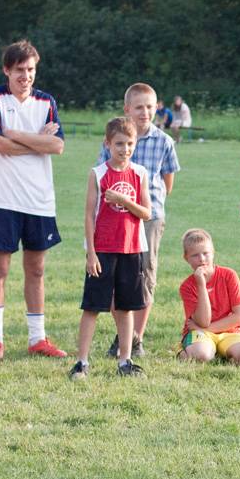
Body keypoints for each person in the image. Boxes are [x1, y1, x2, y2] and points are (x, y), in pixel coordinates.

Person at [0, 39, 68, 360]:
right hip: (2, 196)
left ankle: (37, 339)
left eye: (30, 70)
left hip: (38, 198)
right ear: (6, 70)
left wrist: (14, 134)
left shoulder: (47, 101)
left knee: (36, 269)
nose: (25, 76)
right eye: (19, 70)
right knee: (0, 269)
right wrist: (38, 141)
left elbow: (57, 146)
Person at [95, 82, 180, 358]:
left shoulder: (164, 141)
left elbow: (167, 183)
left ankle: (136, 338)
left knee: (145, 275)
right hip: (116, 219)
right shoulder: (114, 139)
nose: (145, 112)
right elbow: (101, 176)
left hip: (148, 218)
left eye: (150, 107)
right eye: (139, 107)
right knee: (115, 275)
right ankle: (126, 336)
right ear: (127, 109)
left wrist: (143, 205)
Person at [69, 117, 151, 380]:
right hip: (103, 250)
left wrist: (124, 200)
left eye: (129, 144)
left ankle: (125, 360)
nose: (125, 149)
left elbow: (146, 213)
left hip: (131, 249)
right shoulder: (98, 174)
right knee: (92, 307)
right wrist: (91, 253)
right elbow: (88, 215)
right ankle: (82, 362)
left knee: (126, 308)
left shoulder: (140, 173)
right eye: (119, 144)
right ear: (107, 144)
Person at [177, 228, 240, 367]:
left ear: (213, 252)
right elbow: (203, 322)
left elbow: (239, 317)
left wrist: (207, 329)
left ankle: (221, 350)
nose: (202, 259)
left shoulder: (229, 275)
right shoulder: (187, 286)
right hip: (199, 332)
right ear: (186, 258)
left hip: (229, 330)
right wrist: (201, 285)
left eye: (205, 253)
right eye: (195, 255)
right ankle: (183, 352)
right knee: (201, 356)